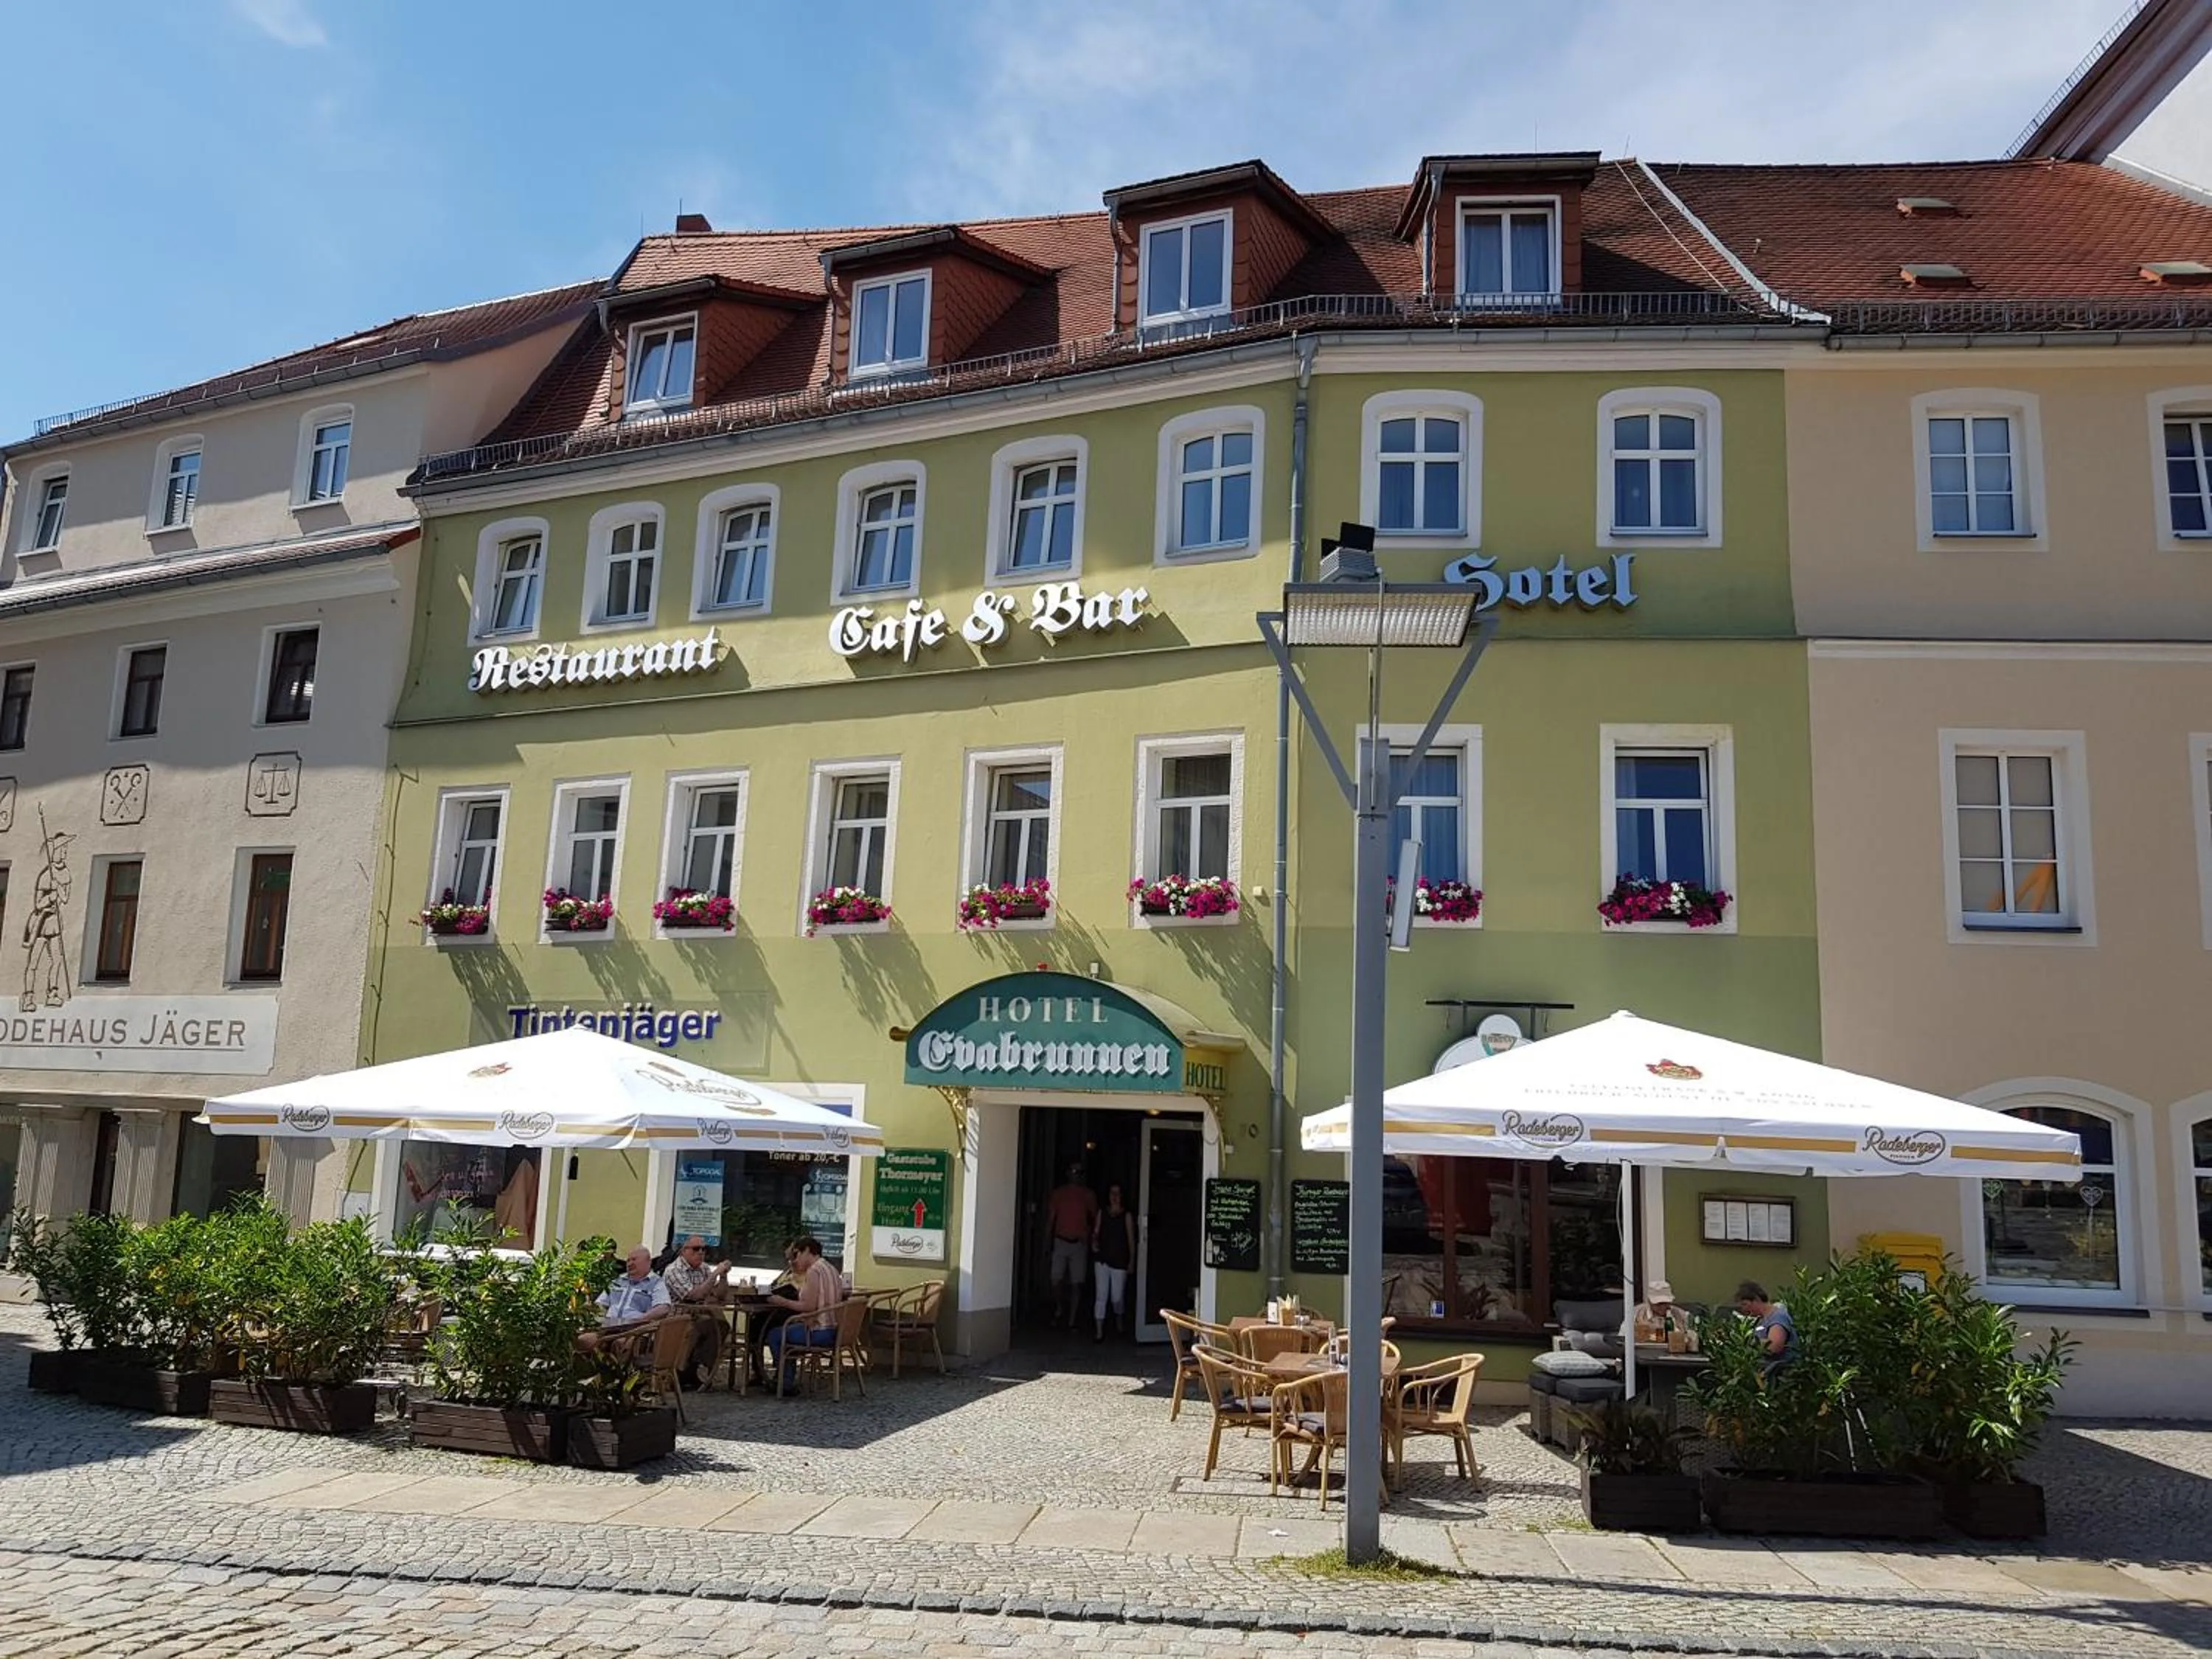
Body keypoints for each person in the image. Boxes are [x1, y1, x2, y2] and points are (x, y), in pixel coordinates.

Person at [763, 1235, 842, 1394]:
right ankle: (786, 1379)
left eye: (797, 1254)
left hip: (818, 1332)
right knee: (789, 1330)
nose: (795, 1259)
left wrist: (781, 1301)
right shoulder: (832, 1269)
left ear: (807, 1250)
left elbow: (808, 1307)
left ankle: (785, 1382)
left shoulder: (814, 1271)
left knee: (775, 1335)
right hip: (834, 1330)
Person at [664, 1235, 731, 1388]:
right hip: (677, 1319)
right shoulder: (674, 1270)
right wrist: (714, 1275)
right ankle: (684, 1372)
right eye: (696, 1249)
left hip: (698, 1316)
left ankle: (696, 1368)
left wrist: (723, 1277)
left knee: (721, 1326)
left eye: (704, 1249)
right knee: (703, 1327)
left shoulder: (704, 1268)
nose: (701, 1253)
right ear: (683, 1251)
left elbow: (720, 1295)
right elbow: (695, 1295)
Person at [581, 1245, 673, 1356]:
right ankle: (593, 1371)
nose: (629, 1263)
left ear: (648, 1262)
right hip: (609, 1327)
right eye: (628, 1260)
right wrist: (596, 1318)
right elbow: (600, 1304)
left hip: (636, 1330)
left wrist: (639, 1320)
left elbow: (664, 1308)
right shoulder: (618, 1280)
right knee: (583, 1340)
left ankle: (616, 1372)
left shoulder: (656, 1283)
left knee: (620, 1344)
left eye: (634, 1259)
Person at [1046, 1162, 1099, 1331]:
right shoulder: (1059, 1194)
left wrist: (1093, 1238)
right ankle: (1060, 1307)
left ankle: (1072, 1320)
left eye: (1080, 1172)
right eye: (1074, 1171)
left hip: (1079, 1243)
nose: (1077, 1174)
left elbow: (1096, 1218)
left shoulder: (1088, 1195)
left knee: (1077, 1283)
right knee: (1055, 1280)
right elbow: (1051, 1219)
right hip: (1060, 1241)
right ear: (1068, 1173)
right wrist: (1046, 1242)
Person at [1091, 1182, 1136, 1341]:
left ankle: (1119, 1319)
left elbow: (1131, 1239)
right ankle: (1099, 1332)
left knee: (1117, 1297)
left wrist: (1132, 1260)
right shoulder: (1102, 1213)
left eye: (1118, 1193)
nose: (1115, 1197)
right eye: (1112, 1193)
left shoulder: (1127, 1216)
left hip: (1120, 1260)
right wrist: (1094, 1242)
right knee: (1101, 1296)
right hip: (1102, 1260)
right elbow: (1096, 1232)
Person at [1736, 1280, 1795, 1367]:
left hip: (1779, 1372)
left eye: (1745, 1304)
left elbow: (1774, 1347)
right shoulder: (1761, 1319)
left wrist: (1749, 1343)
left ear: (1757, 1299)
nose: (1744, 1309)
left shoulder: (1778, 1317)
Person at [1632, 1278, 1678, 1345]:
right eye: (1659, 1304)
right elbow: (1622, 1337)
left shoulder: (1680, 1314)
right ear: (1649, 1301)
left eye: (1666, 1303)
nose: (1663, 1307)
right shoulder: (1635, 1313)